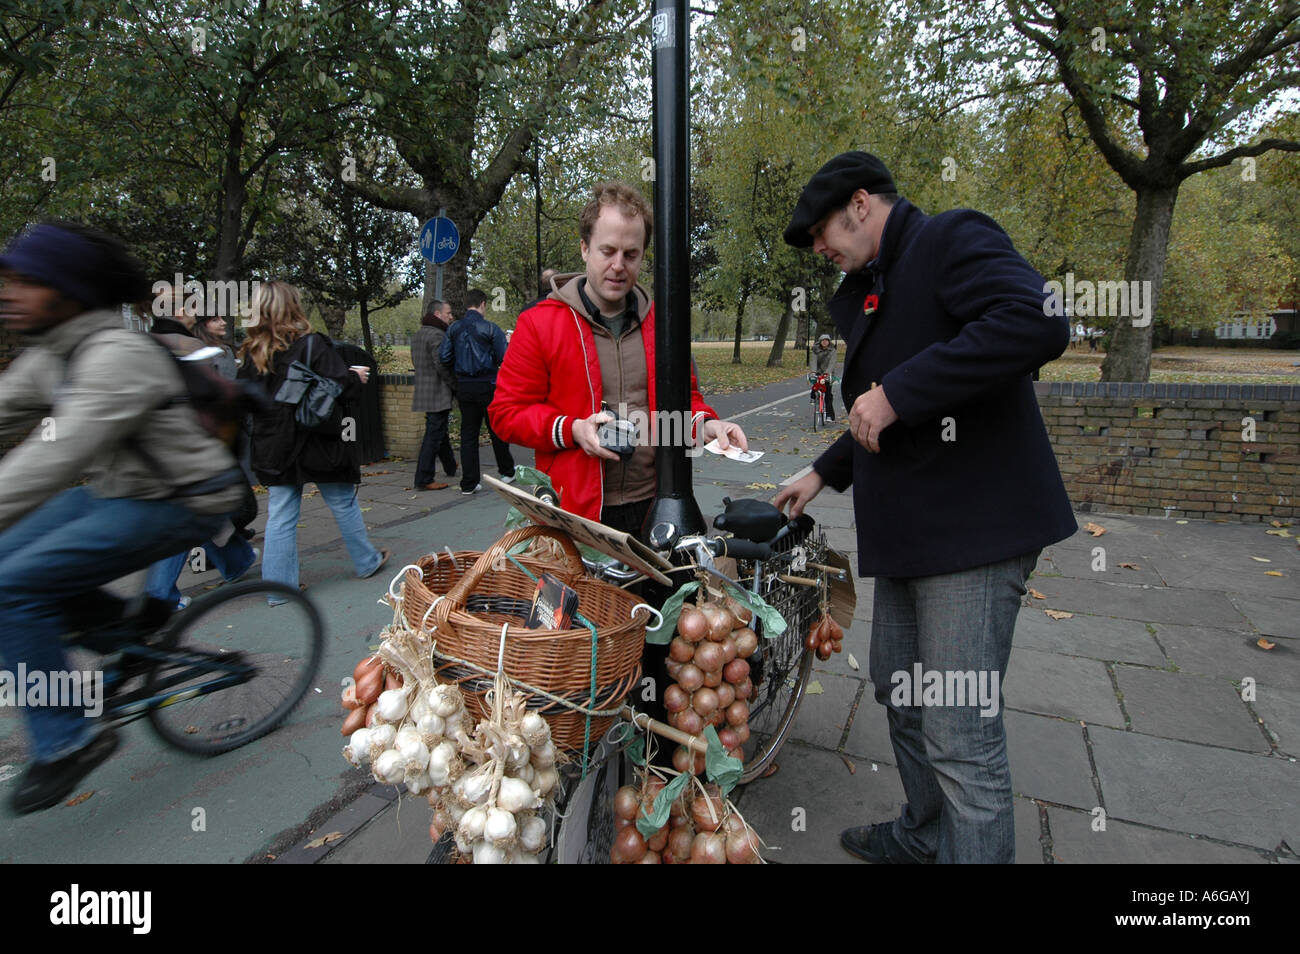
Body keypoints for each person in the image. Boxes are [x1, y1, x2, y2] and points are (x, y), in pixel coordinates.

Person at [774, 152, 1076, 864]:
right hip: (912, 534)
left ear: (859, 203)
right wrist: (820, 472)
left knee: (960, 730)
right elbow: (881, 416)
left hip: (976, 529)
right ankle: (926, 835)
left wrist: (900, 390)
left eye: (822, 231)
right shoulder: (873, 284)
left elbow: (1041, 321)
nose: (821, 248)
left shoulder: (948, 237)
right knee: (902, 696)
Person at [0, 222, 247, 812]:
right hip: (118, 493)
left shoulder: (117, 354)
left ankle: (67, 741)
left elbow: (50, 460)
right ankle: (126, 621)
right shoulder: (51, 356)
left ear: (67, 288)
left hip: (182, 500)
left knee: (12, 587)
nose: (7, 293)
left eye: (23, 281)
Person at [489, 181, 747, 536]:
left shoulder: (665, 325)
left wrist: (707, 427)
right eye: (607, 251)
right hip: (576, 510)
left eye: (630, 254)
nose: (618, 266)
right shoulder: (539, 323)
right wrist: (573, 429)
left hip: (656, 504)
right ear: (584, 249)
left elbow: (683, 401)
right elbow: (506, 414)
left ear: (643, 254)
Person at [237, 281, 390, 599]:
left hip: (273, 444)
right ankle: (366, 561)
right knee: (343, 501)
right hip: (316, 440)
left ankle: (279, 590)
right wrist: (355, 378)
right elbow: (340, 387)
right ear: (293, 305)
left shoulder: (253, 353)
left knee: (280, 514)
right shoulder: (310, 344)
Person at [143, 286, 259, 609]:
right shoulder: (177, 345)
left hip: (174, 444)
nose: (197, 309)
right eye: (190, 304)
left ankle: (236, 561)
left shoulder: (166, 343)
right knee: (187, 516)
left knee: (203, 510)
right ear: (177, 311)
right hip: (181, 446)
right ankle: (161, 594)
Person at [440, 288, 515, 495]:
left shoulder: (454, 329)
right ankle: (507, 471)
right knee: (496, 429)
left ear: (466, 305)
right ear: (483, 303)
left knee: (468, 433)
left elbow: (444, 357)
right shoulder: (490, 328)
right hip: (488, 384)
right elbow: (504, 358)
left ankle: (469, 482)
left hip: (464, 385)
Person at [410, 299, 457, 491]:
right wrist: (455, 385)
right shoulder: (438, 335)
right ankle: (424, 477)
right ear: (437, 314)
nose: (451, 316)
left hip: (424, 388)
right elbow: (441, 365)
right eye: (448, 313)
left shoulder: (419, 334)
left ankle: (450, 465)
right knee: (433, 435)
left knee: (439, 431)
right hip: (438, 390)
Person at [812, 333, 837, 420]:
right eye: (823, 340)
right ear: (820, 342)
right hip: (818, 372)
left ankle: (830, 415)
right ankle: (813, 397)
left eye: (826, 340)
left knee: (828, 394)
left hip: (828, 374)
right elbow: (813, 361)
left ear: (829, 342)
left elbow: (832, 363)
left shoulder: (832, 351)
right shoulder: (815, 350)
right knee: (815, 383)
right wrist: (813, 372)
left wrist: (827, 373)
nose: (825, 342)